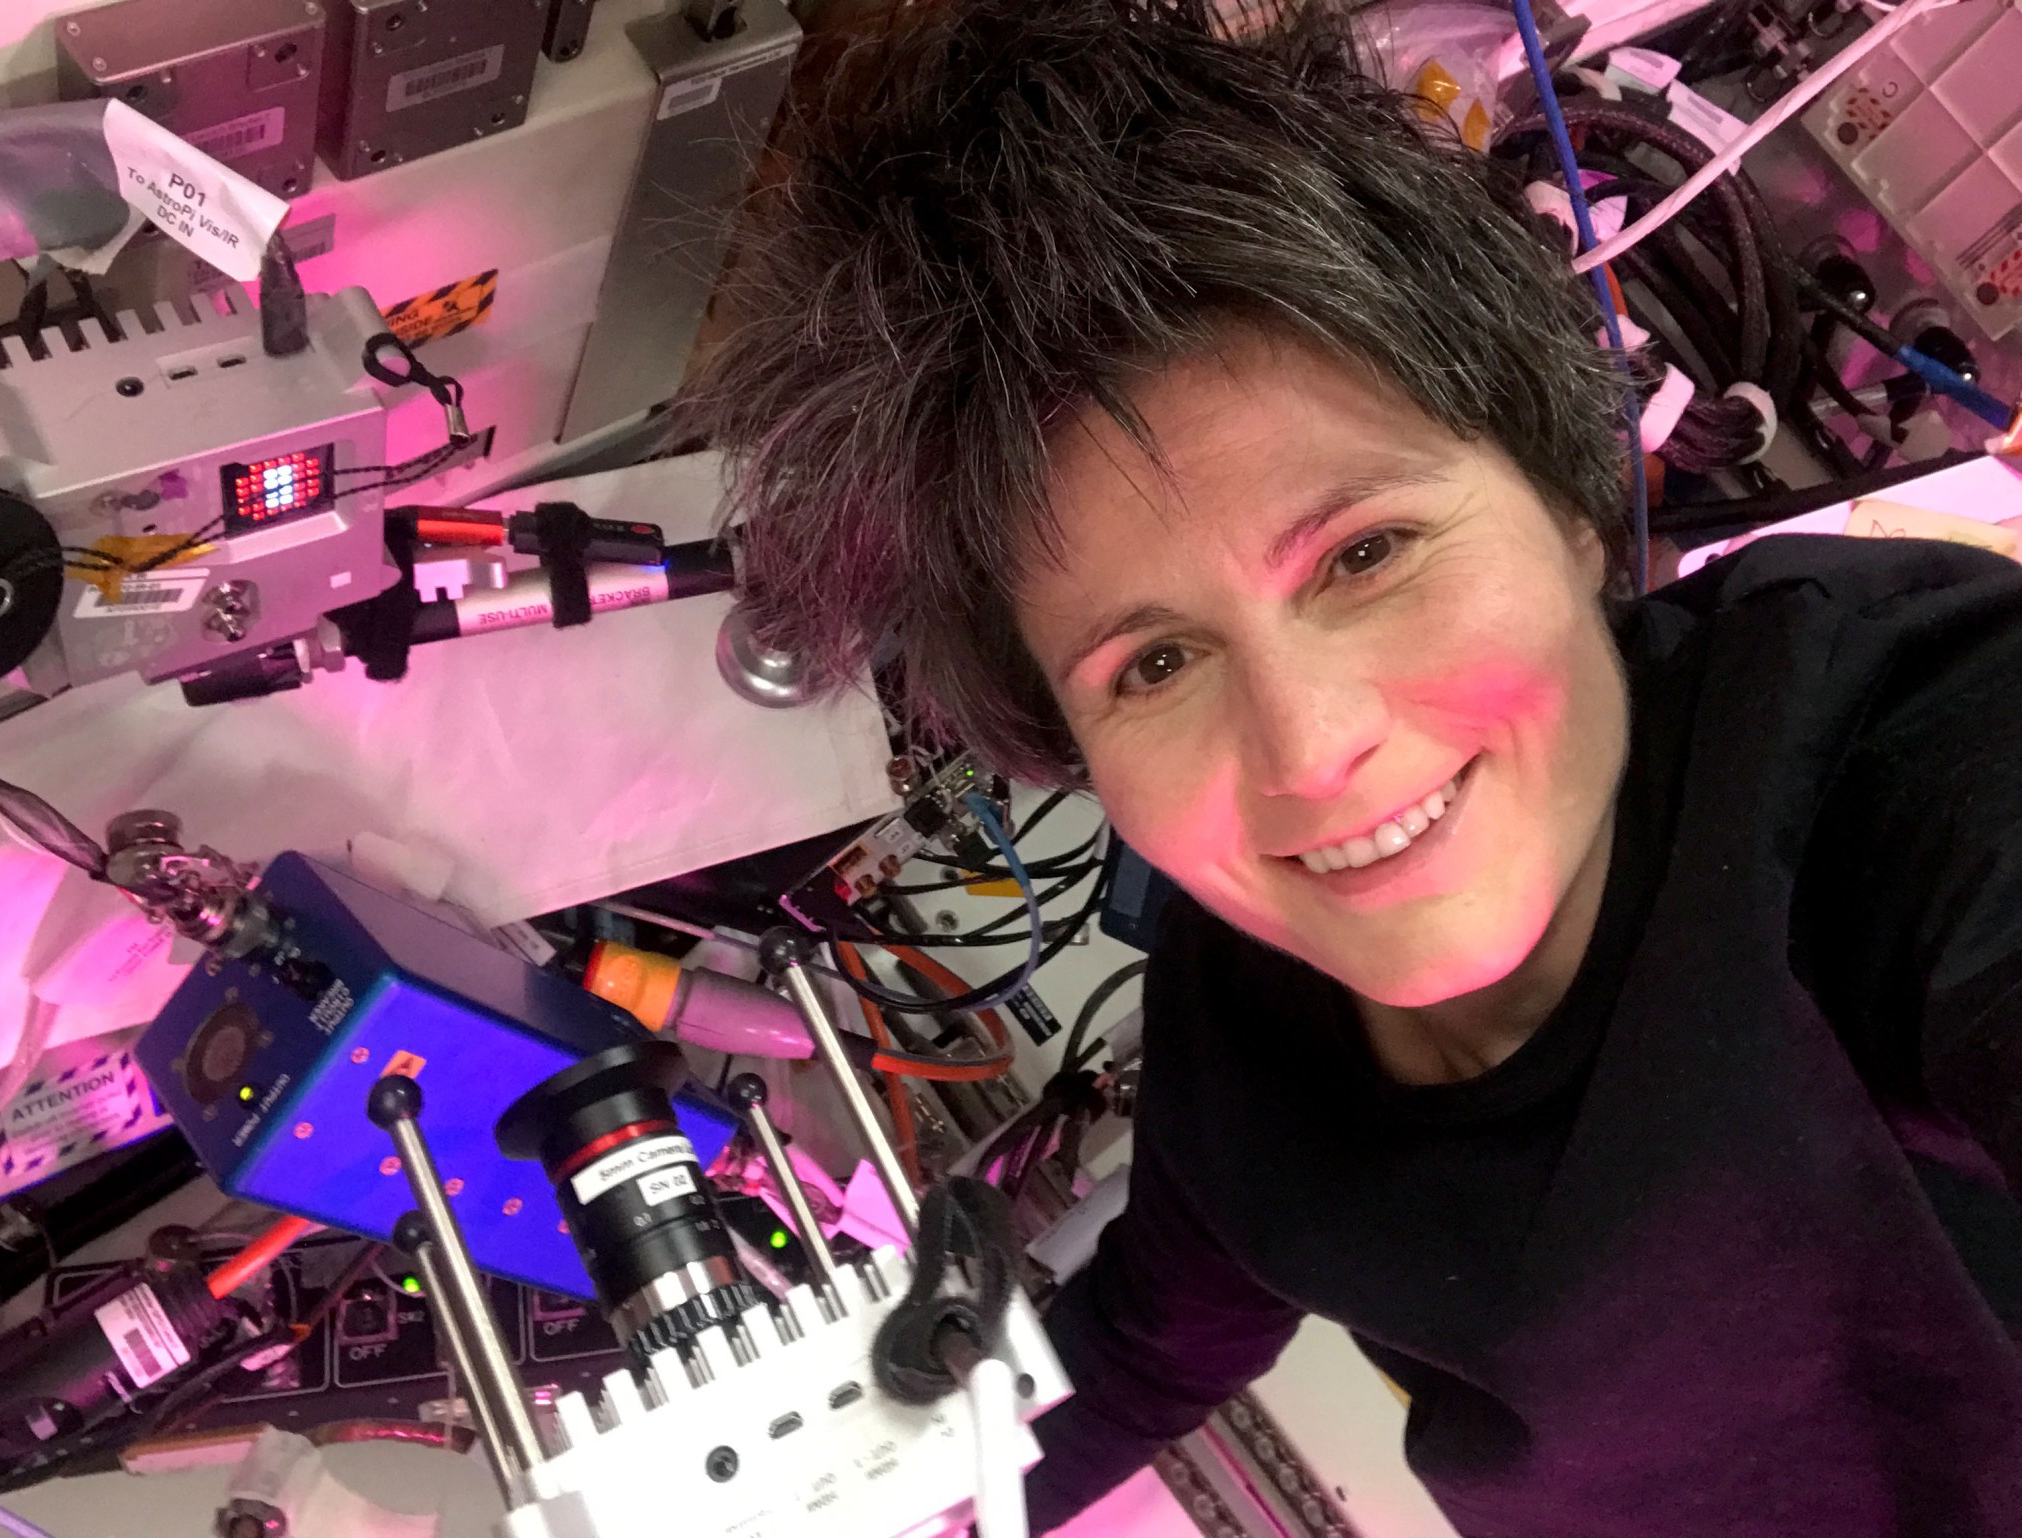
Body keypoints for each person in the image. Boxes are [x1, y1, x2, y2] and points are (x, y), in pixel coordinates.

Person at [673, 1, 2022, 1533]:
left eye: (1366, 553)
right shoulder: (1242, 1042)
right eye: (1156, 663)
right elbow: (1134, 1349)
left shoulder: (1891, 756)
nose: (1312, 750)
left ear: (1575, 505)